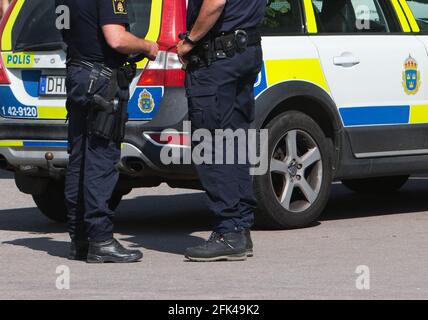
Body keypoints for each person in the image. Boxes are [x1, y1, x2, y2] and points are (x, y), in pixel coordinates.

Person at [58, 0, 158, 263]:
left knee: (79, 160)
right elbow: (116, 39)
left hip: (78, 74)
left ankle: (80, 239)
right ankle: (100, 240)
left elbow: (67, 32)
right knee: (100, 161)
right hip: (101, 80)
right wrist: (147, 46)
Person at [177, 0, 266, 262]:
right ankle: (240, 228)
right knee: (234, 141)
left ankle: (228, 231)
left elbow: (215, 3)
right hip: (244, 51)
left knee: (213, 145)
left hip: (218, 60)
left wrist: (190, 41)